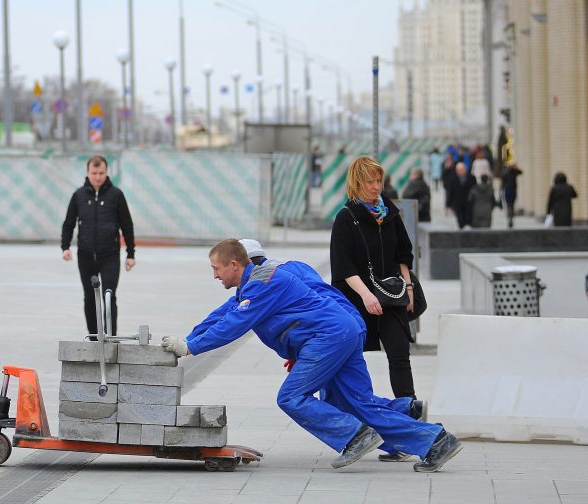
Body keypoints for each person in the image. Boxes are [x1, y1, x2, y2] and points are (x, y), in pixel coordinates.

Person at [160, 239, 461, 472]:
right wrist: (186, 339)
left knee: (290, 397)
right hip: (338, 334)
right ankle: (434, 439)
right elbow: (223, 315)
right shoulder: (255, 285)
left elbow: (234, 324)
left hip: (329, 338)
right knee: (352, 402)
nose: (214, 275)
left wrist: (190, 348)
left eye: (216, 269)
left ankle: (356, 436)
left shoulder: (266, 282)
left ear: (237, 263)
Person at [330, 156, 419, 401]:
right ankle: (356, 406)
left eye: (378, 181)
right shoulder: (346, 217)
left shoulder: (389, 213)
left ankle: (409, 409)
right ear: (356, 183)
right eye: (369, 181)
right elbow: (343, 266)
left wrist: (408, 289)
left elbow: (403, 254)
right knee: (351, 356)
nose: (375, 187)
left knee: (400, 353)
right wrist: (367, 296)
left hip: (391, 295)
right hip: (356, 297)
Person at [61, 155, 136, 337]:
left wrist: (130, 253)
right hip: (86, 256)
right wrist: (65, 247)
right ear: (88, 172)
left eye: (101, 173)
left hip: (109, 255)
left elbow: (127, 224)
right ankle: (95, 338)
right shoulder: (78, 195)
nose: (97, 177)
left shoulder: (116, 195)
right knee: (90, 298)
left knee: (109, 296)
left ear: (106, 172)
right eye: (94, 173)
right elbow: (69, 222)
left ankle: (110, 337)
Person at [446, 162, 475, 229]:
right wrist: (448, 204)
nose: (460, 171)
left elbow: (474, 190)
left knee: (468, 219)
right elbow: (450, 192)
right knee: (460, 220)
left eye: (462, 169)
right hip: (457, 203)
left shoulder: (471, 178)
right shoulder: (453, 179)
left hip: (468, 202)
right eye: (459, 170)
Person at [500, 163, 523, 229]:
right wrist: (515, 168)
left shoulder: (509, 172)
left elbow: (520, 172)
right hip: (511, 190)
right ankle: (510, 218)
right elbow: (520, 172)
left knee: (509, 205)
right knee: (511, 205)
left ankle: (510, 218)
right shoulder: (512, 172)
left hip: (509, 190)